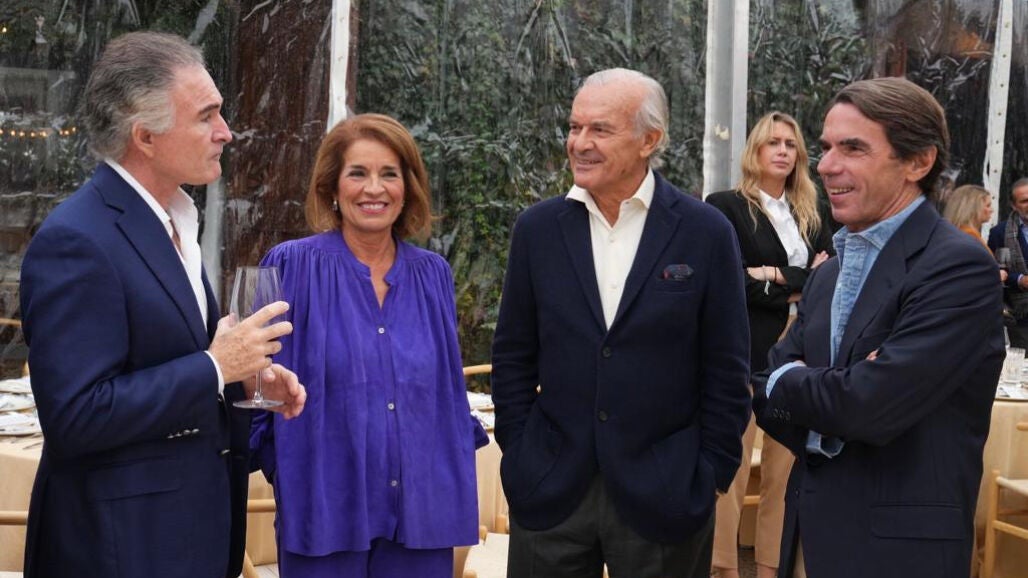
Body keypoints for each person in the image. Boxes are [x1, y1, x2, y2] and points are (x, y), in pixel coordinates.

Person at [18, 31, 306, 578]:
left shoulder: (173, 221)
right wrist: (216, 365)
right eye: (206, 116)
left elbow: (164, 362)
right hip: (119, 550)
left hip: (185, 537)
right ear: (145, 137)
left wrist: (243, 382)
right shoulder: (77, 240)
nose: (226, 131)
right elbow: (75, 417)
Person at [491, 68, 751, 578]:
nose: (579, 143)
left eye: (600, 129)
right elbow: (513, 356)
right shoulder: (537, 230)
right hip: (550, 492)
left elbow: (726, 367)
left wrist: (710, 473)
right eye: (574, 127)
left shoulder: (705, 232)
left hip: (666, 496)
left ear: (649, 140)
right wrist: (521, 456)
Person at [754, 77, 1004, 578]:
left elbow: (870, 406)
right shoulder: (828, 273)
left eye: (853, 148)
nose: (825, 165)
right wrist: (826, 386)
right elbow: (764, 391)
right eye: (826, 147)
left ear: (918, 162)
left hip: (897, 554)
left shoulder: (957, 266)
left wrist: (797, 381)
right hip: (807, 540)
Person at [249, 113, 488, 577]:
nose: (374, 189)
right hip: (323, 514)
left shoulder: (433, 274)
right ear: (332, 188)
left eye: (389, 174)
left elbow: (445, 394)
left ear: (408, 188)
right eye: (358, 173)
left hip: (421, 517)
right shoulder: (287, 265)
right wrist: (287, 471)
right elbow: (256, 383)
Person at [706, 111, 834, 578]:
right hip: (743, 350)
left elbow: (829, 277)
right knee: (731, 465)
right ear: (754, 150)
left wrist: (771, 274)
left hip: (801, 352)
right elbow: (729, 283)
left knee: (786, 471)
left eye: (790, 144)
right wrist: (797, 280)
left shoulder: (813, 213)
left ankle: (770, 568)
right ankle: (721, 568)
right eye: (772, 142)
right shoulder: (725, 207)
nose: (782, 151)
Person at [988, 178, 1028, 347]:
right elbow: (999, 271)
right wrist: (1020, 279)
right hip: (1021, 317)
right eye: (1024, 201)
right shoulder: (1001, 233)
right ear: (1013, 205)